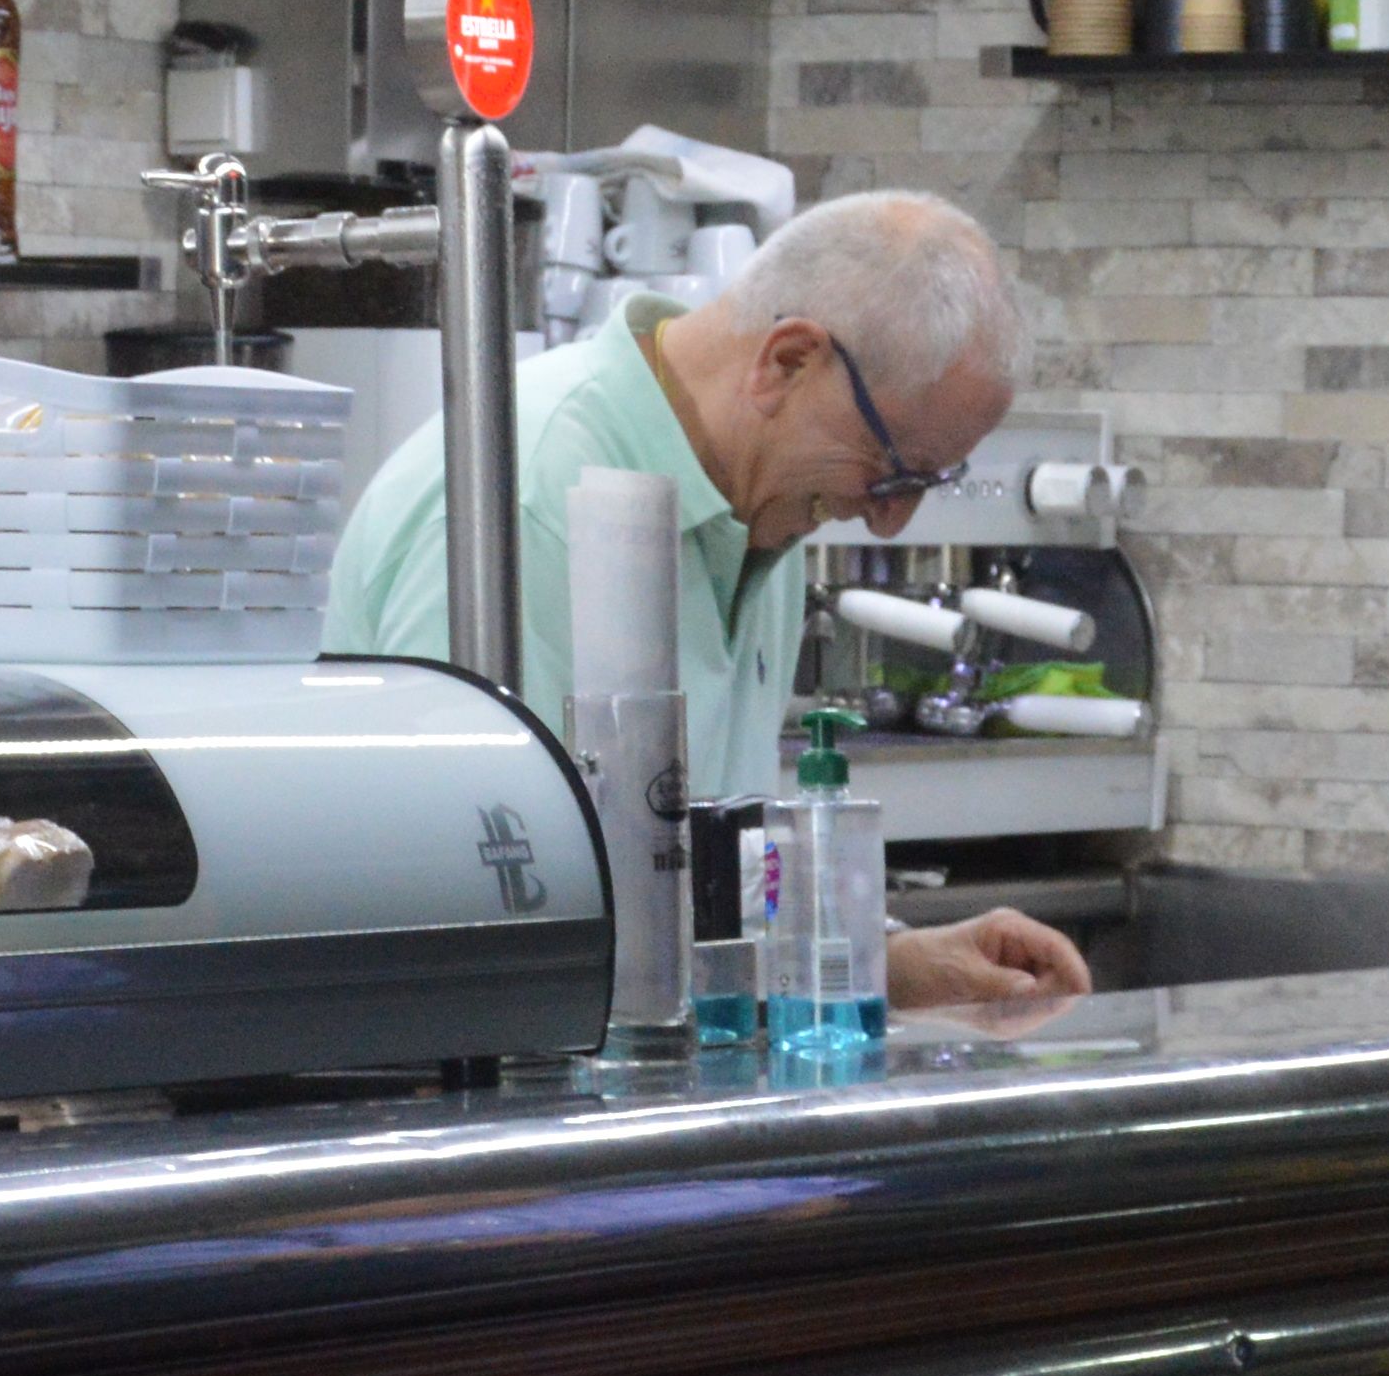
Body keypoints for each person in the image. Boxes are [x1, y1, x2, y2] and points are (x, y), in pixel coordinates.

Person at [323, 189, 1086, 1015]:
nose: (890, 518)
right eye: (892, 472)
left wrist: (887, 962)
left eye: (926, 486)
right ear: (787, 361)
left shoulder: (764, 517)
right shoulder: (531, 496)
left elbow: (709, 887)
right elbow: (471, 919)